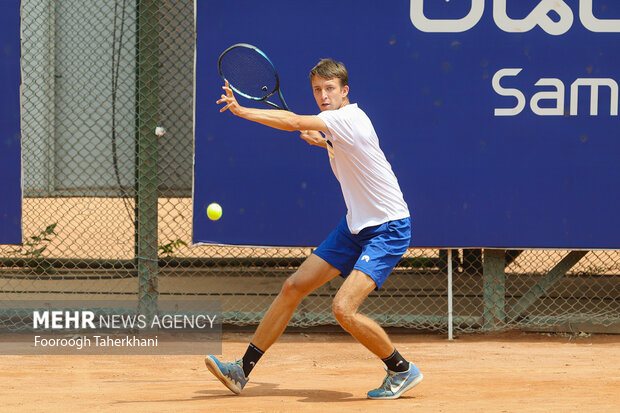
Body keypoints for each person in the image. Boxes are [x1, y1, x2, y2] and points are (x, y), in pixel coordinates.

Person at [205, 58, 422, 400]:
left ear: (345, 91)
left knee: (343, 309)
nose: (323, 95)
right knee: (293, 287)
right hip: (354, 226)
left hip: (388, 228)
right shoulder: (338, 126)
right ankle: (240, 371)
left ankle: (401, 369)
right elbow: (349, 150)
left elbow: (292, 121)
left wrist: (241, 111)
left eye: (330, 89)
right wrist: (324, 143)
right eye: (317, 90)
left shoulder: (347, 117)